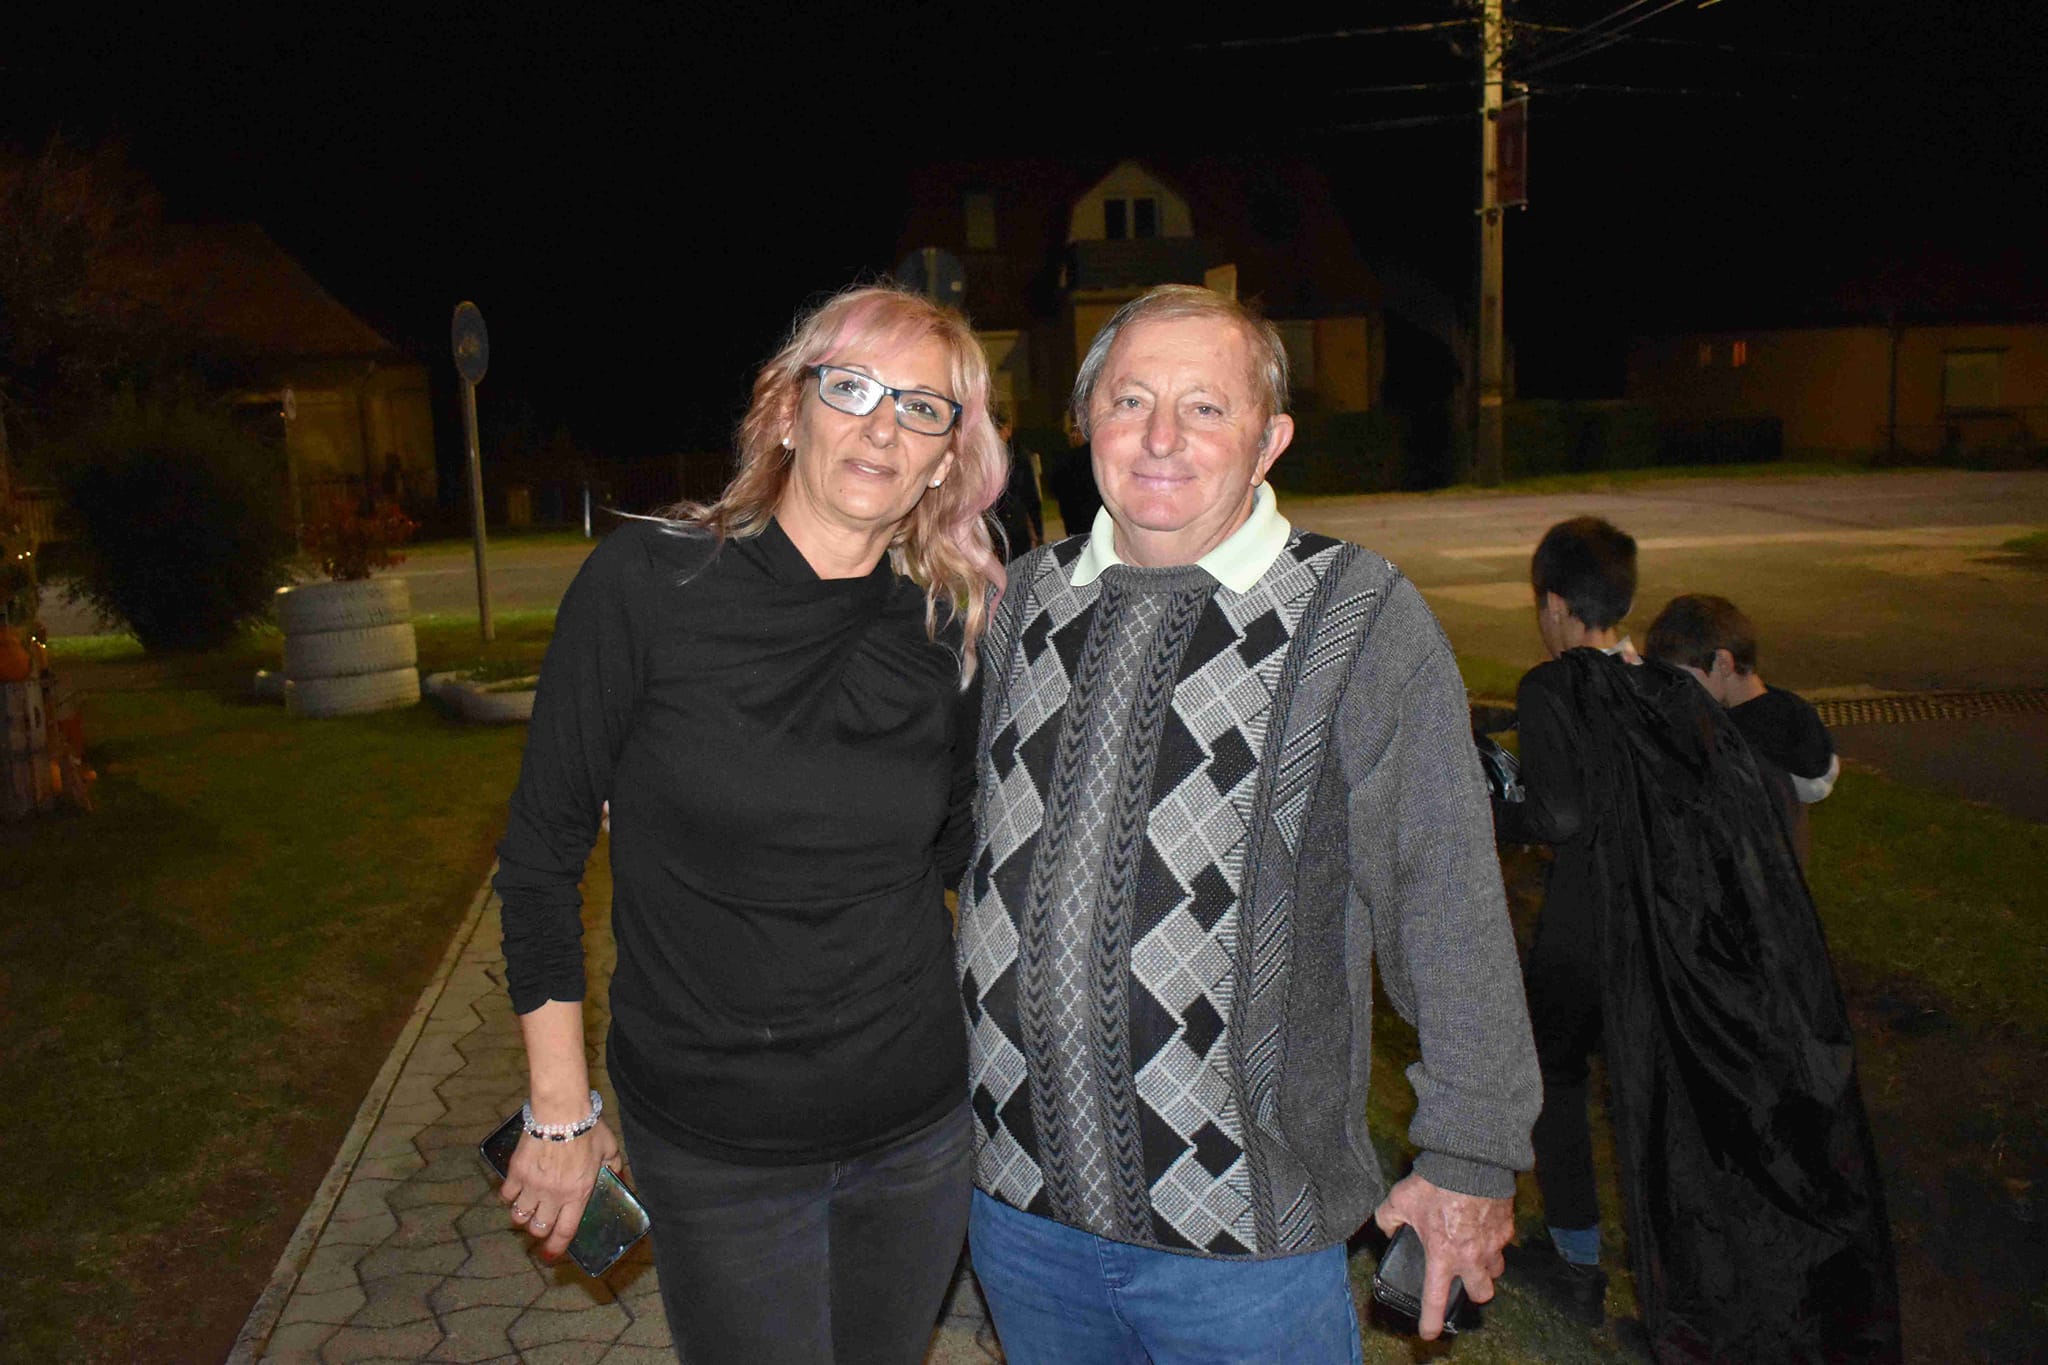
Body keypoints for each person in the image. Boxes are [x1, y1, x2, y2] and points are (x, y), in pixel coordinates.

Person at [955, 284, 1541, 1362]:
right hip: (1019, 1215)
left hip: (1243, 1252)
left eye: (1205, 407)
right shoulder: (1022, 601)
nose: (1161, 437)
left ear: (1268, 440)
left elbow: (1446, 896)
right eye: (1130, 400)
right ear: (1084, 423)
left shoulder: (1355, 613)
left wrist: (1469, 1156)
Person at [490, 284, 1009, 1365]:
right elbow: (539, 858)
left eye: (921, 408)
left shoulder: (944, 633)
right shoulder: (647, 584)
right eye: (852, 388)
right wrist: (558, 1110)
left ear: (944, 461)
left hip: (916, 1127)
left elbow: (965, 849)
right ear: (787, 411)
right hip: (715, 1140)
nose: (882, 427)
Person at [1495, 519, 1898, 1363]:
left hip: (1585, 922)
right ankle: (1688, 1288)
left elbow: (1558, 812)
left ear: (1556, 605)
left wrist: (1499, 800)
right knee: (1659, 1106)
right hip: (1663, 935)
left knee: (1555, 1072)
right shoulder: (1661, 688)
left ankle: (1574, 1257)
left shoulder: (1553, 685)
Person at [1644, 592, 1838, 868]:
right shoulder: (1788, 716)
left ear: (1723, 662)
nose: (1672, 693)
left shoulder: (1735, 742)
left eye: (1680, 679)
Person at [990, 412, 1045, 562]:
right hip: (996, 525)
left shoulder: (1019, 456)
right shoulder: (987, 458)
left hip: (1016, 524)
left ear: (1008, 430)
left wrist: (1038, 530)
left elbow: (1031, 495)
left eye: (999, 429)